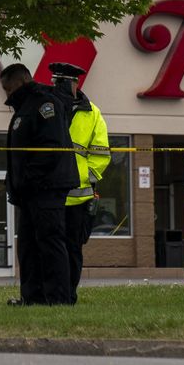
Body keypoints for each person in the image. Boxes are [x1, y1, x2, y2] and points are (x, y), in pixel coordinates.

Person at [0, 63, 74, 306]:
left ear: (20, 82)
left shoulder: (45, 104)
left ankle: (58, 299)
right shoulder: (25, 107)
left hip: (46, 189)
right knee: (29, 247)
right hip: (30, 192)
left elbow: (51, 149)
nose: (6, 94)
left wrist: (28, 179)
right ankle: (32, 298)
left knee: (50, 243)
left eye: (8, 88)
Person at [50, 62, 111, 298]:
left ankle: (68, 294)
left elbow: (101, 153)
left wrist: (86, 179)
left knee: (72, 249)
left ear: (76, 84)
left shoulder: (92, 112)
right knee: (51, 249)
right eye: (58, 82)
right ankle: (53, 293)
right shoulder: (48, 107)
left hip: (78, 197)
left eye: (66, 82)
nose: (61, 86)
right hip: (51, 194)